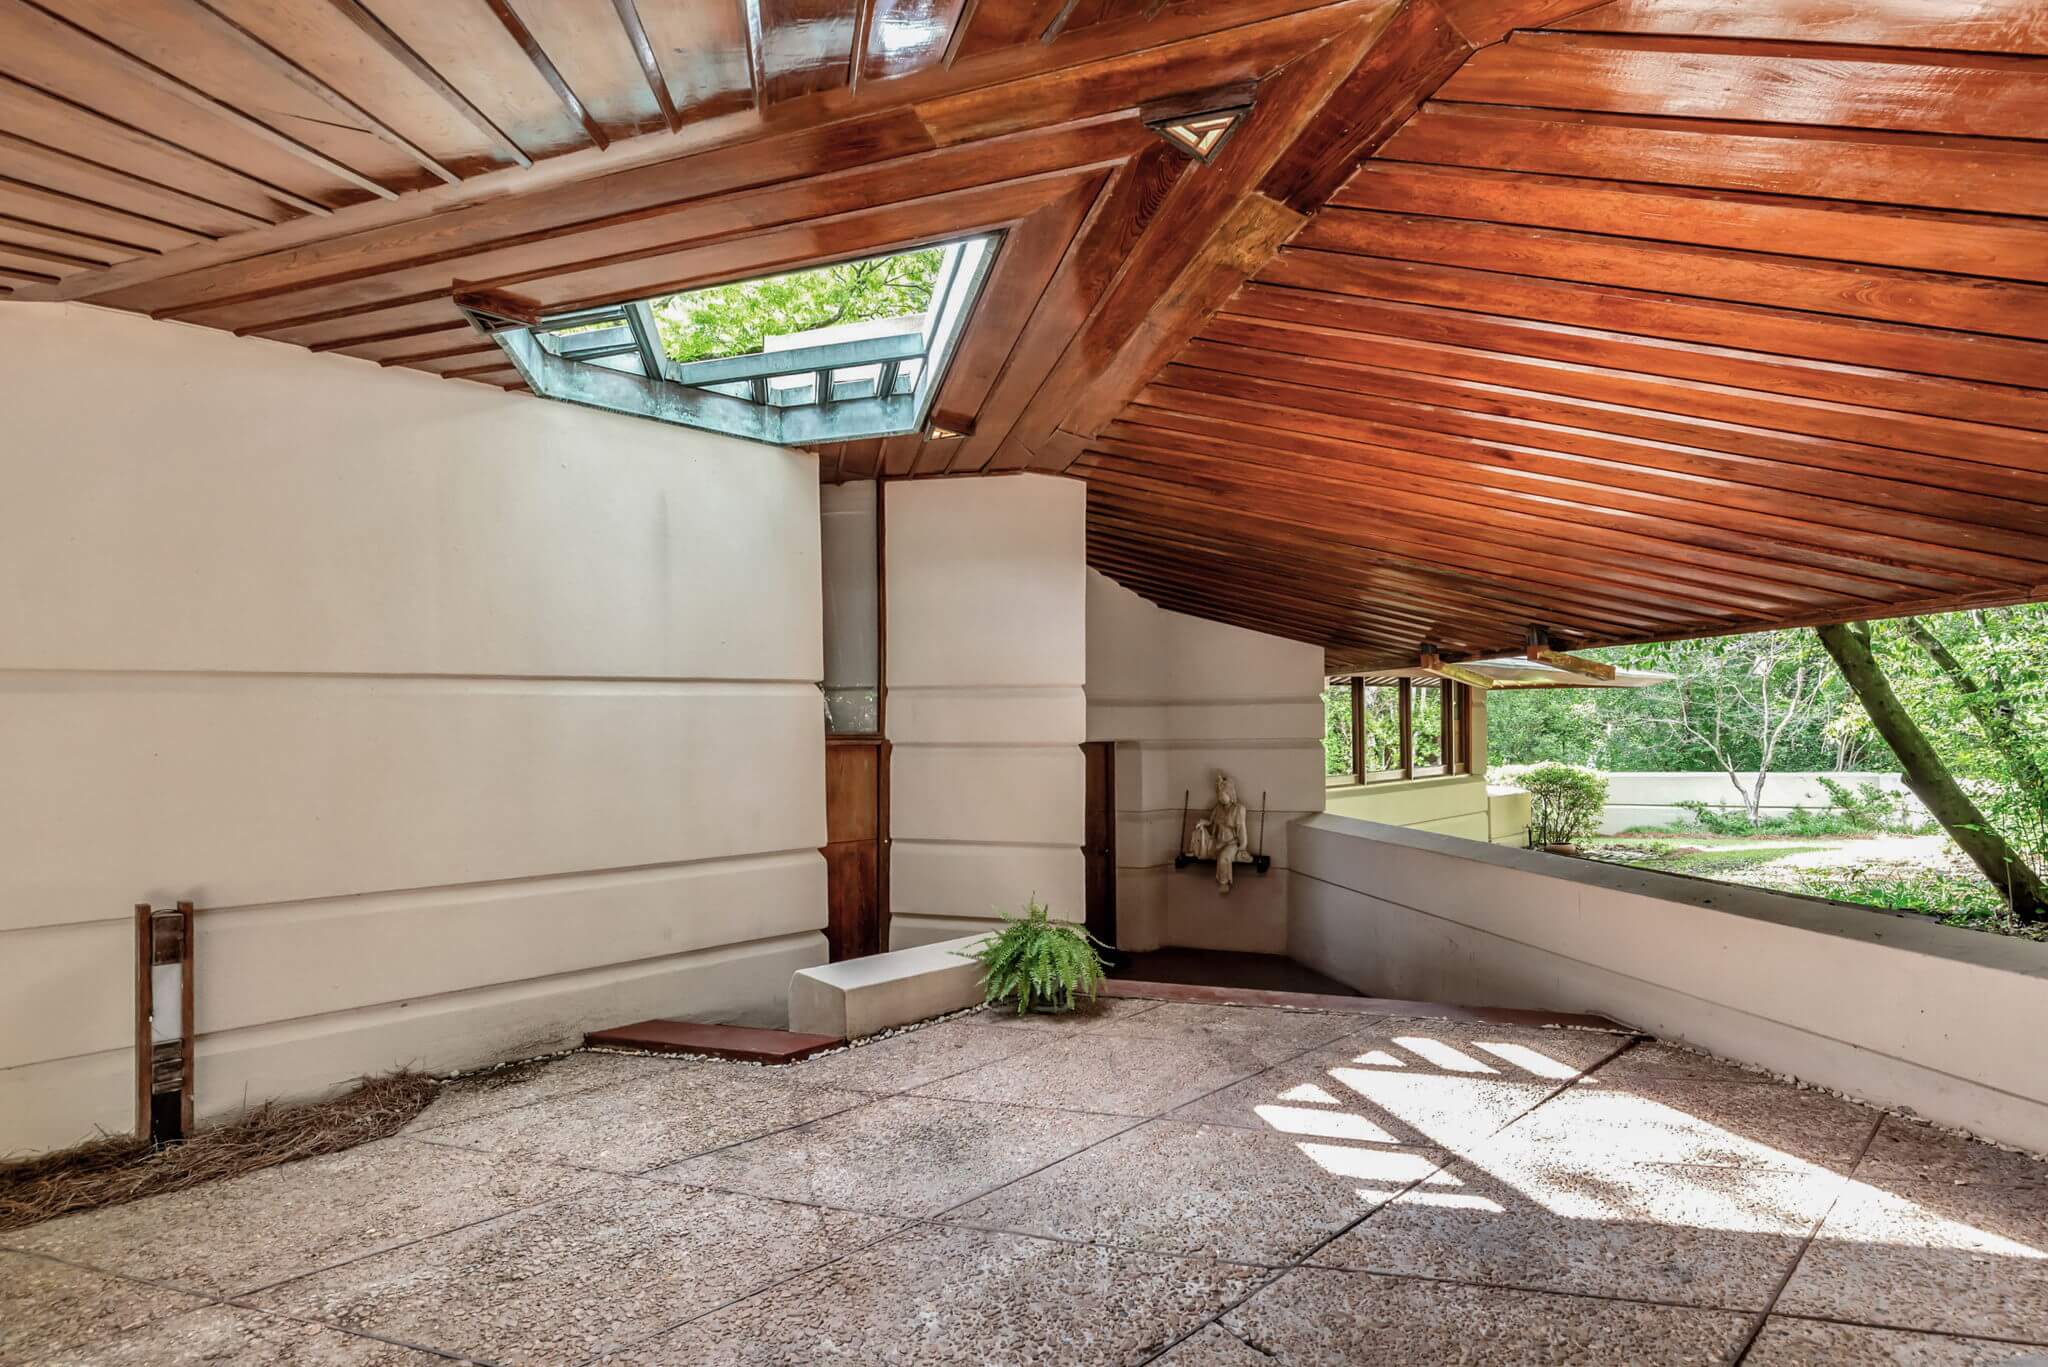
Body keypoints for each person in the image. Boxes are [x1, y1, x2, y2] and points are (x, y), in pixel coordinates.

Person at [1187, 770, 1252, 893]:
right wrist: (1202, 822)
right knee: (1200, 840)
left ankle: (1224, 883)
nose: (1220, 797)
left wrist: (1242, 847)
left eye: (1222, 794)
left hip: (1231, 843)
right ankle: (1194, 850)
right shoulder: (1218, 808)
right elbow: (1211, 823)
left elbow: (1242, 831)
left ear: (1230, 794)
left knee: (1223, 858)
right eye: (1218, 794)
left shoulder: (1238, 809)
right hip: (1218, 842)